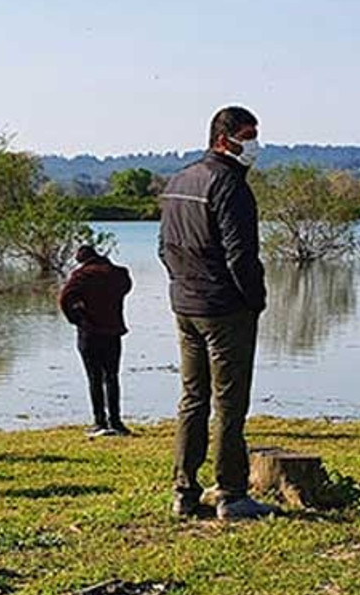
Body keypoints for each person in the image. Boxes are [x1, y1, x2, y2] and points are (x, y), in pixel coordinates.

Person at [158, 105, 275, 520]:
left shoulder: (179, 181)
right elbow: (241, 255)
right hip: (225, 309)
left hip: (185, 305)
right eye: (248, 135)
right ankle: (231, 493)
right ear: (224, 140)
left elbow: (163, 249)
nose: (255, 144)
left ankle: (185, 492)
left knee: (192, 399)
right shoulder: (230, 185)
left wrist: (184, 285)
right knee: (229, 403)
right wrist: (255, 299)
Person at [59, 245, 133, 437]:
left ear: (82, 259)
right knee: (112, 376)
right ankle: (116, 422)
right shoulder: (119, 274)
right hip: (113, 331)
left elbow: (65, 297)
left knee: (94, 378)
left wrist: (76, 317)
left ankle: (99, 421)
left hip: (89, 331)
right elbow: (126, 288)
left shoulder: (82, 275)